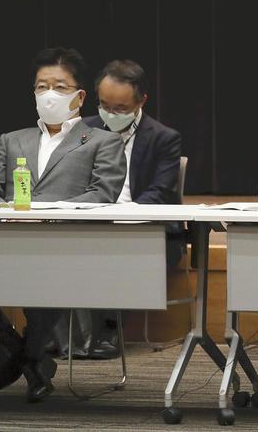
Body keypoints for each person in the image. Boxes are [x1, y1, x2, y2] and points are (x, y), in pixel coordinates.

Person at [0, 47, 126, 402]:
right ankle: (24, 359)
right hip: (7, 242)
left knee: (46, 280)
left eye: (59, 86)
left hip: (64, 246)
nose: (49, 94)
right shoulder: (12, 140)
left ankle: (20, 359)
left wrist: (47, 212)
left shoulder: (103, 141)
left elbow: (102, 194)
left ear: (79, 96)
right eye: (41, 86)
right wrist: (5, 211)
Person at [53, 60, 183, 360]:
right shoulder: (82, 130)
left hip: (145, 226)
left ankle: (109, 331)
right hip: (93, 221)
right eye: (105, 105)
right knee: (58, 243)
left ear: (142, 101)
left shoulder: (164, 138)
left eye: (121, 108)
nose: (111, 113)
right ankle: (57, 332)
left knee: (116, 245)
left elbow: (160, 193)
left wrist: (124, 217)